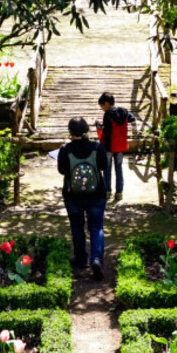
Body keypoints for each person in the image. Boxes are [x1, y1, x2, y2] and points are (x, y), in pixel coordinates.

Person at [57, 117, 108, 280]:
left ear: (70, 132)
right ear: (87, 129)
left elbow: (62, 170)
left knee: (77, 226)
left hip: (73, 195)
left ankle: (81, 258)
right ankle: (96, 259)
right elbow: (103, 166)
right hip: (96, 194)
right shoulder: (97, 147)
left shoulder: (65, 149)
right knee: (96, 227)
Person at [95, 92, 136, 203]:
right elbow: (132, 118)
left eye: (102, 106)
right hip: (120, 146)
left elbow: (107, 131)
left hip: (109, 146)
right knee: (119, 168)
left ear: (107, 103)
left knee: (107, 169)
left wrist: (99, 126)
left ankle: (107, 191)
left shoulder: (107, 114)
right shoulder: (124, 111)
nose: (102, 109)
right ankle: (119, 193)